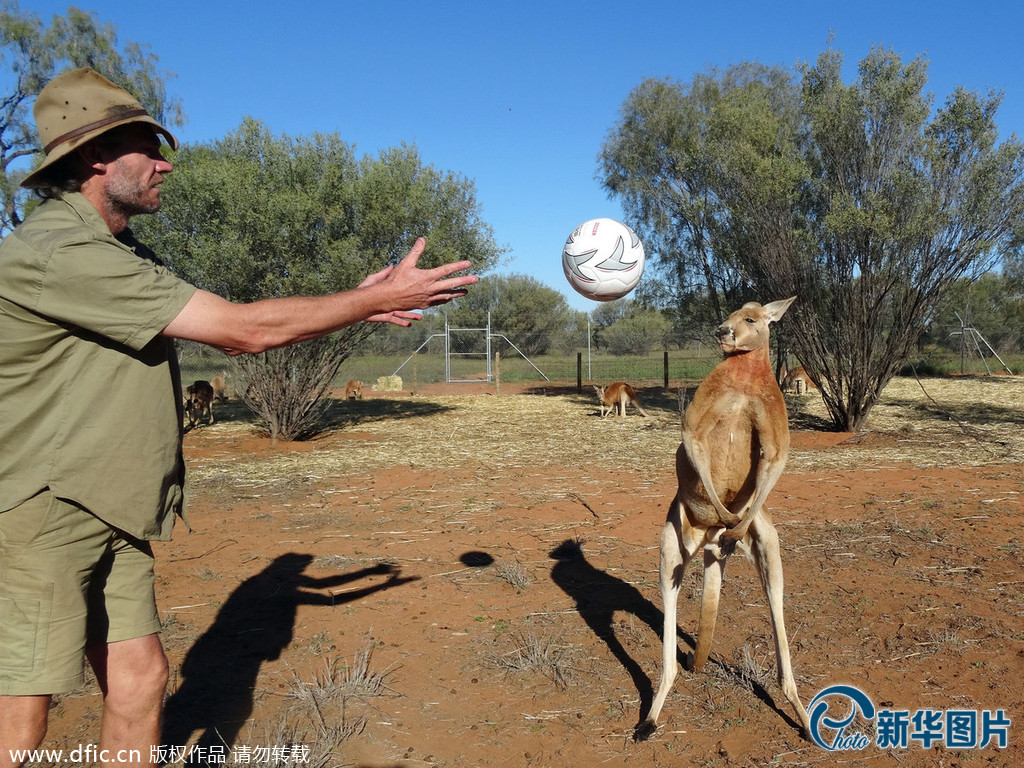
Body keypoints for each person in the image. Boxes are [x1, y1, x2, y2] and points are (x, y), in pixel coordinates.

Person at [0, 68, 478, 767]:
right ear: (96, 157)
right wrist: (370, 301)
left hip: (109, 508)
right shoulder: (59, 251)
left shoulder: (117, 251)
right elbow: (242, 331)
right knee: (22, 707)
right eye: (146, 146)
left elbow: (234, 319)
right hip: (46, 508)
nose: (165, 162)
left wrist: (358, 295)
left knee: (141, 681)